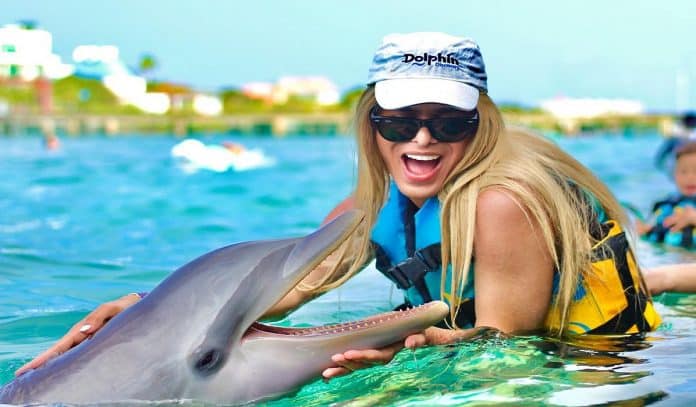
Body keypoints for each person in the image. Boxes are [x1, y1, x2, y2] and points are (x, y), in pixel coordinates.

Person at [15, 32, 662, 380]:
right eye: (397, 120)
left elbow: (502, 354)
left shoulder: (499, 201)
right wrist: (141, 316)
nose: (421, 139)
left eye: (447, 122)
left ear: (481, 122)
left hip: (595, 367)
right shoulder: (370, 205)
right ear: (369, 119)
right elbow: (288, 287)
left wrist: (402, 357)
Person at [636, 141, 696, 248]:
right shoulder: (666, 205)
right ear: (674, 174)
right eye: (683, 171)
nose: (690, 177)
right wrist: (645, 230)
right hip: (668, 258)